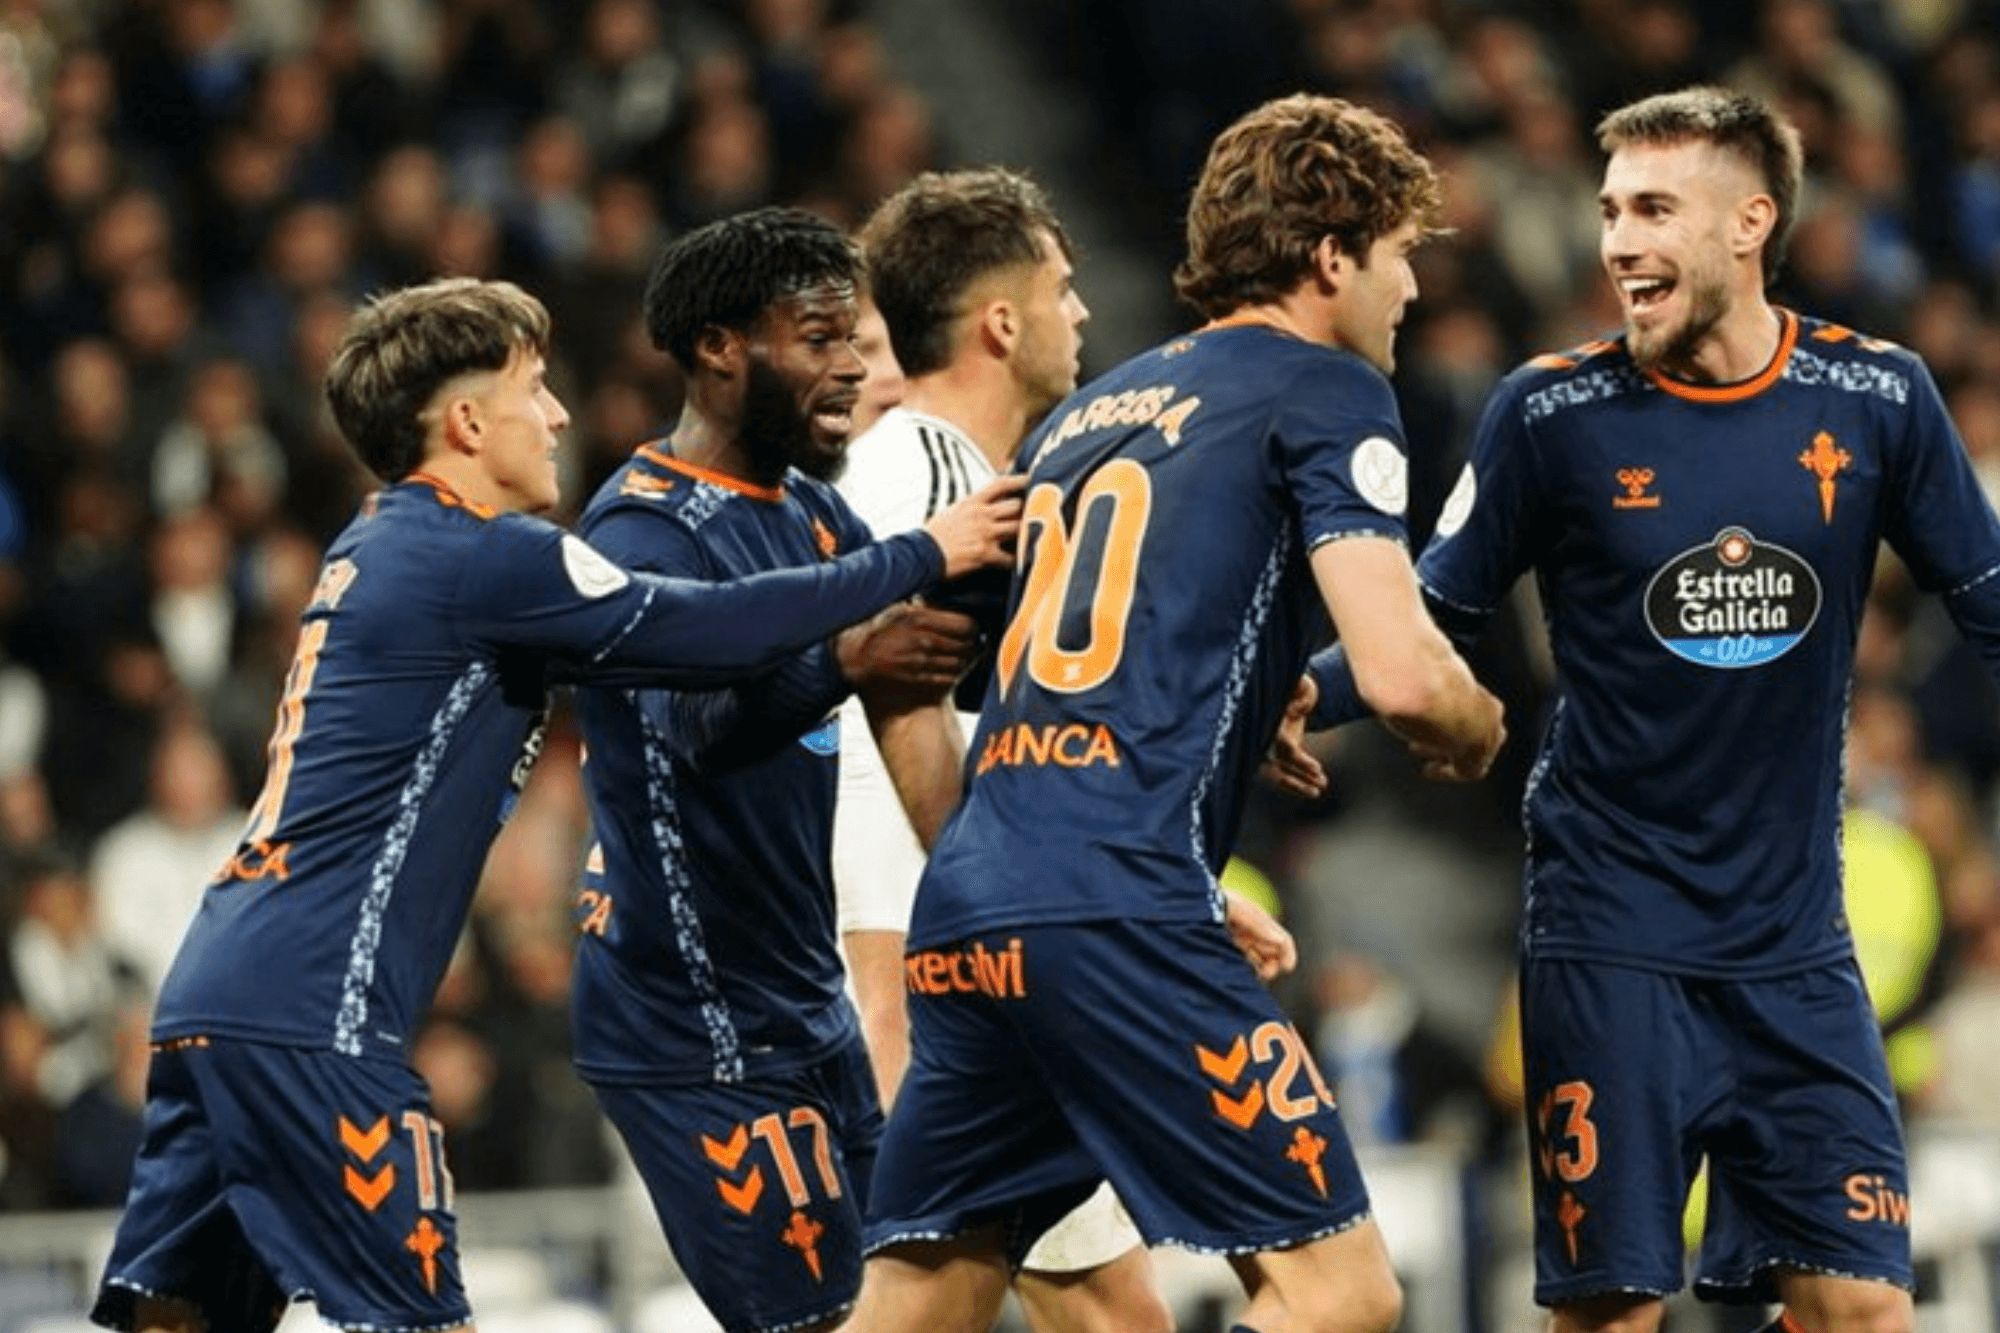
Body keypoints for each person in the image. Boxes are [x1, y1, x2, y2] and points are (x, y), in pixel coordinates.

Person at [89, 276, 1019, 1333]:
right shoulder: (484, 556)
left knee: (179, 1319)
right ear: (466, 421)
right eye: (533, 388)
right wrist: (919, 554)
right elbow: (703, 628)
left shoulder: (376, 543)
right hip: (318, 1011)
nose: (559, 416)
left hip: (215, 992)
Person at [1304, 87, 1974, 1333]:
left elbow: (1983, 601)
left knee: (1863, 1308)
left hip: (1795, 949)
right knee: (1611, 1313)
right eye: (1610, 210)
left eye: (1653, 209)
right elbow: (1432, 614)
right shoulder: (1546, 413)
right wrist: (1293, 698)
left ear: (1749, 223)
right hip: (1609, 940)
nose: (1616, 241)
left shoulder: (1874, 397)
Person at [854, 95, 1505, 1333]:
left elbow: (921, 674)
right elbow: (1405, 674)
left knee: (919, 1305)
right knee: (1338, 1294)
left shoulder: (1080, 419)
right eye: (1398, 253)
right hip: (1119, 905)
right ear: (1330, 257)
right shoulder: (1322, 388)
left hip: (977, 908)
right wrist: (1474, 721)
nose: (1411, 289)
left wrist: (994, 861)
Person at [565, 208, 996, 1333]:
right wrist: (846, 656)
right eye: (819, 339)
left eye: (855, 338)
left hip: (804, 1001)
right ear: (719, 349)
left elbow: (907, 670)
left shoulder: (811, 510)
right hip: (692, 1023)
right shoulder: (640, 534)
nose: (853, 368)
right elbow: (696, 729)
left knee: (918, 1307)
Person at [834, 166, 1176, 1333]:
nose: (1080, 312)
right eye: (1061, 289)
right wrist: (898, 1031)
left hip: (970, 981)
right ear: (999, 321)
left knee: (1118, 1315)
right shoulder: (931, 486)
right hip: (943, 997)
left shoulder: (963, 484)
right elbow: (878, 769)